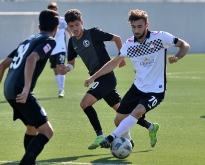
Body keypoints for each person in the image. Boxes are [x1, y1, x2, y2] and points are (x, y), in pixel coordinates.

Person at [84, 9, 190, 149]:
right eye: (133, 27)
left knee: (138, 111)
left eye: (140, 26)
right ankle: (131, 142)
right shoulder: (129, 44)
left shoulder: (160, 37)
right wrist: (93, 77)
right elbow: (113, 63)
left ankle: (111, 137)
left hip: (156, 90)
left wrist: (177, 56)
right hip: (137, 88)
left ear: (147, 25)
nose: (136, 30)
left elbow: (184, 45)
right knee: (118, 120)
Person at [59, 9, 153, 150]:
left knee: (85, 103)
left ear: (82, 23)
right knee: (123, 112)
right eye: (71, 26)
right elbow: (71, 63)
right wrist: (67, 69)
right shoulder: (72, 42)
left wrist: (120, 58)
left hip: (106, 78)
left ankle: (100, 135)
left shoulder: (93, 33)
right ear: (68, 27)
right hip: (99, 79)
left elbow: (116, 38)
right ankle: (150, 126)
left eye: (77, 25)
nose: (75, 29)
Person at [0, 9, 59, 165]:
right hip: (20, 90)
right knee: (47, 131)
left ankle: (29, 162)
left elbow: (2, 65)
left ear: (39, 27)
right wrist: (26, 88)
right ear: (57, 28)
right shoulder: (50, 41)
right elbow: (32, 58)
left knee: (32, 127)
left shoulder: (27, 40)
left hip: (9, 90)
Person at [47, 2, 71, 98]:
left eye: (55, 8)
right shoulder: (47, 22)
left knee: (60, 67)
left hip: (61, 48)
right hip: (51, 50)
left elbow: (69, 31)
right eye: (51, 9)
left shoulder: (62, 21)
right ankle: (59, 88)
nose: (54, 10)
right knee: (55, 70)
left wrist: (72, 43)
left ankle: (61, 89)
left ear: (57, 10)